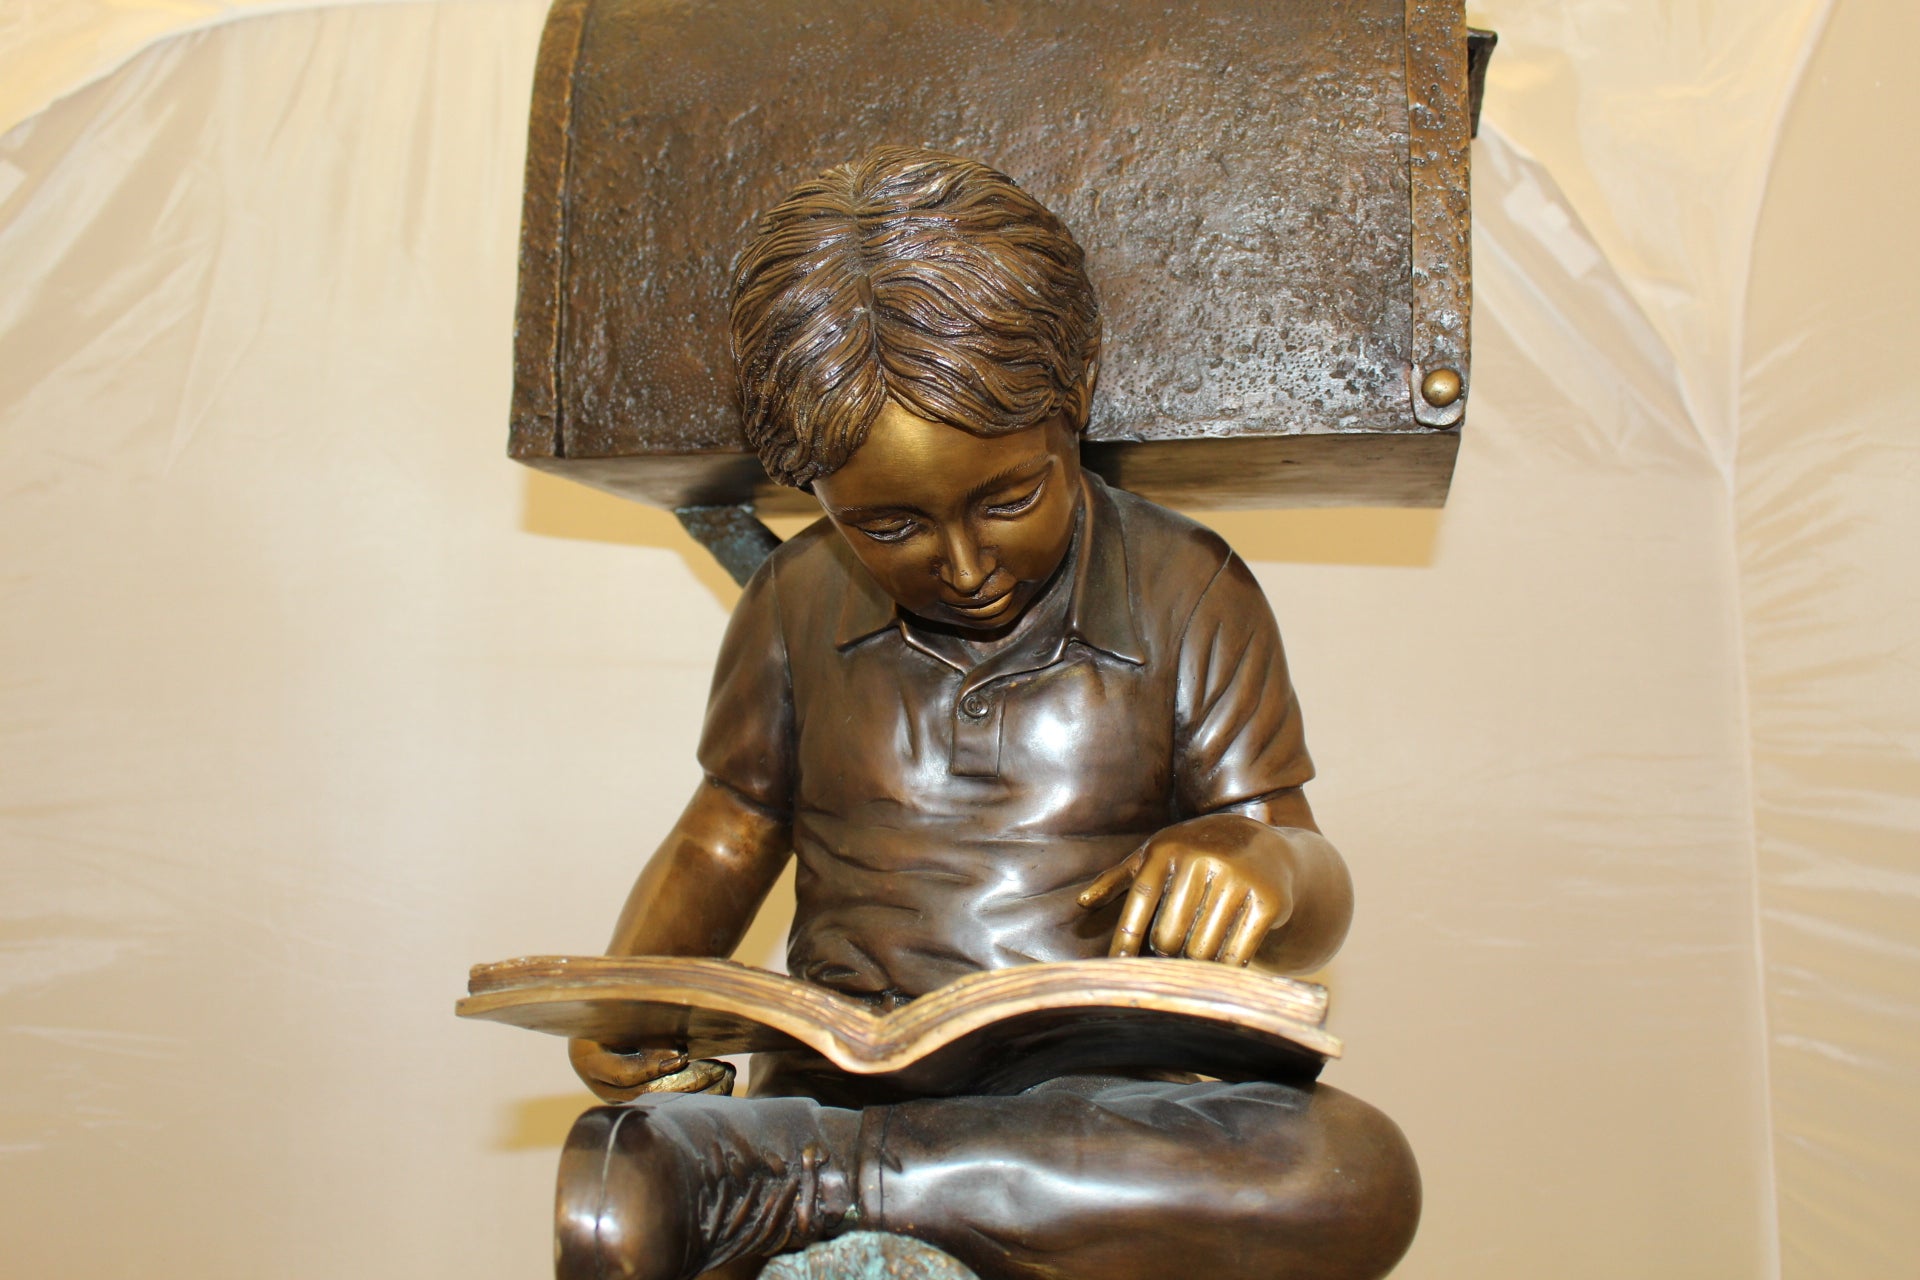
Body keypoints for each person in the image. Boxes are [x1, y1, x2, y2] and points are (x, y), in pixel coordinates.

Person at [560, 145, 1420, 1280]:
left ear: (1075, 402)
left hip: (1110, 1097)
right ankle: (842, 1167)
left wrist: (1261, 864)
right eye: (889, 528)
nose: (965, 568)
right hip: (845, 1078)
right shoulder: (793, 601)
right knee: (613, 1203)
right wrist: (630, 999)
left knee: (1354, 1172)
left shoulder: (1187, 587)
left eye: (1010, 499)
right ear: (818, 496)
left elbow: (1305, 873)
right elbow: (726, 830)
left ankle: (811, 1182)